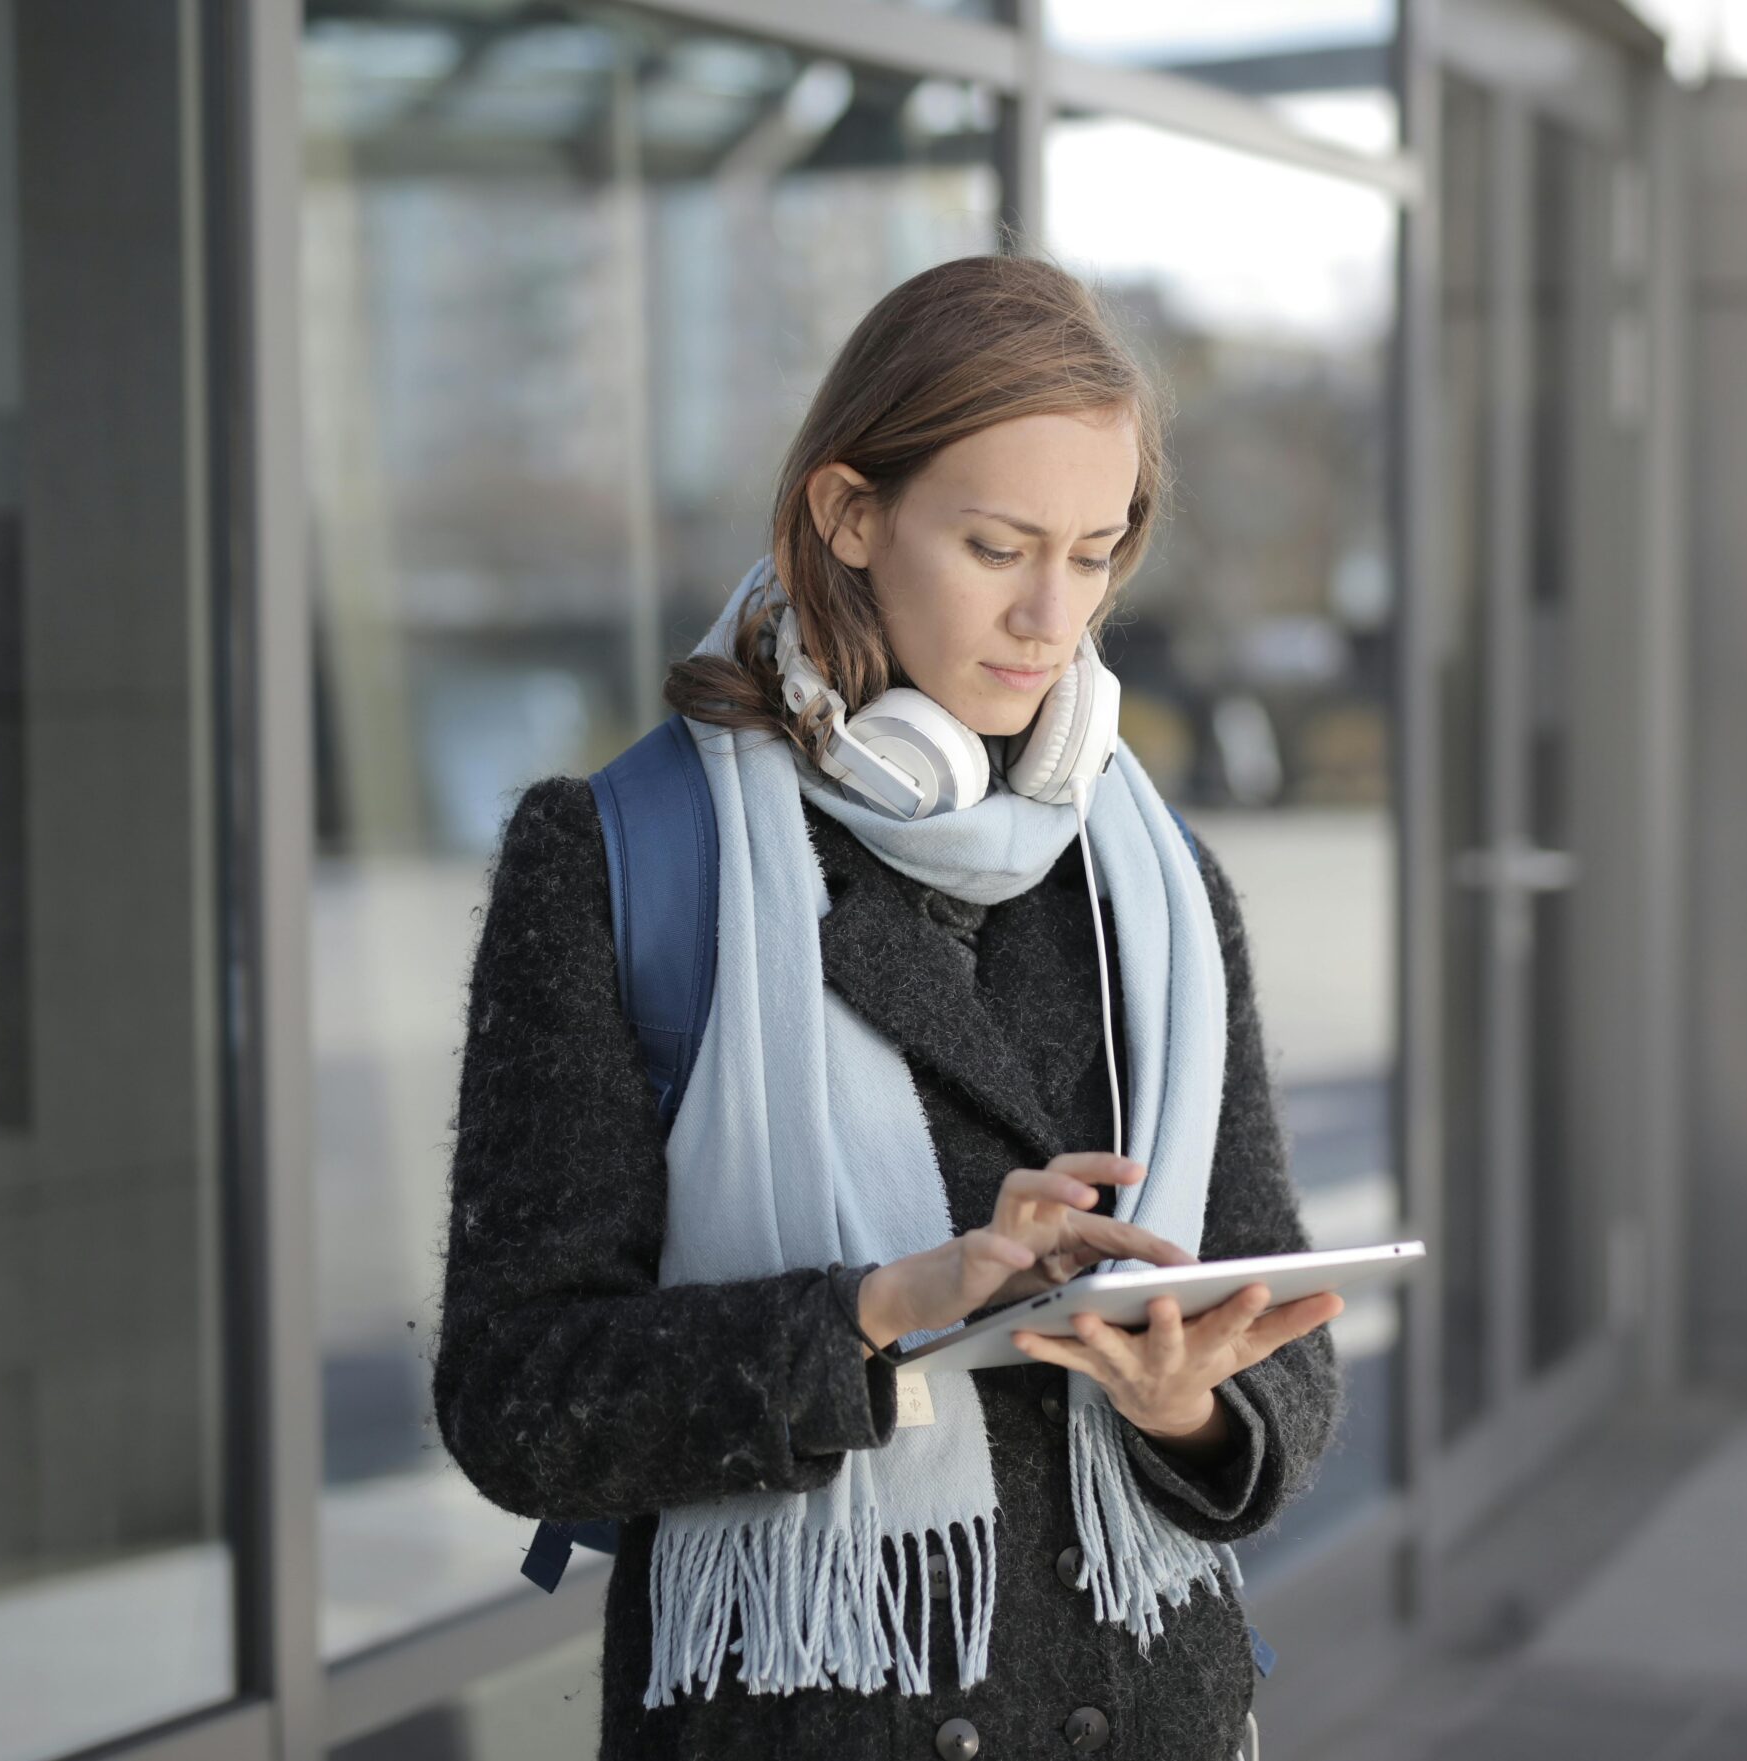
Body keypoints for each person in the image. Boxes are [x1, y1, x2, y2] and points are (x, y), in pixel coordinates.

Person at [429, 253, 1346, 1761]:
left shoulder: (1155, 884)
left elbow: (1282, 1346)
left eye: (1098, 551)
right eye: (997, 546)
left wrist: (1190, 1403)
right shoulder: (619, 860)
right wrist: (877, 1315)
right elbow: (518, 1396)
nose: (1055, 617)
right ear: (852, 515)